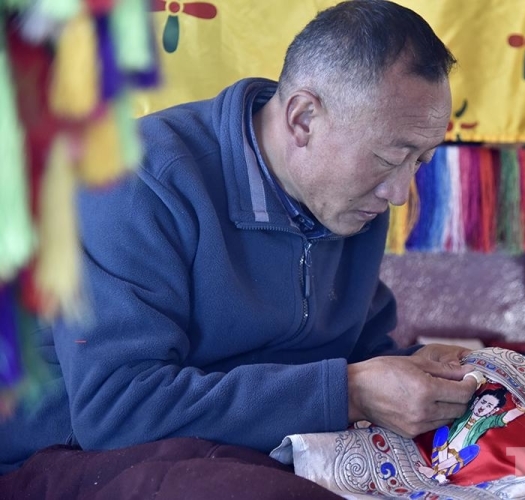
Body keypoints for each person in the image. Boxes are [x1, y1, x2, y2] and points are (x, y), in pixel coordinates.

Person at [0, 0, 479, 497]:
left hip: (248, 450)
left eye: (419, 162)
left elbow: (360, 353)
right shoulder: (140, 181)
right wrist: (351, 392)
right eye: (387, 158)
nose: (398, 193)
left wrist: (424, 374)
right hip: (71, 457)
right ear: (303, 119)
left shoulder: (353, 203)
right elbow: (117, 410)